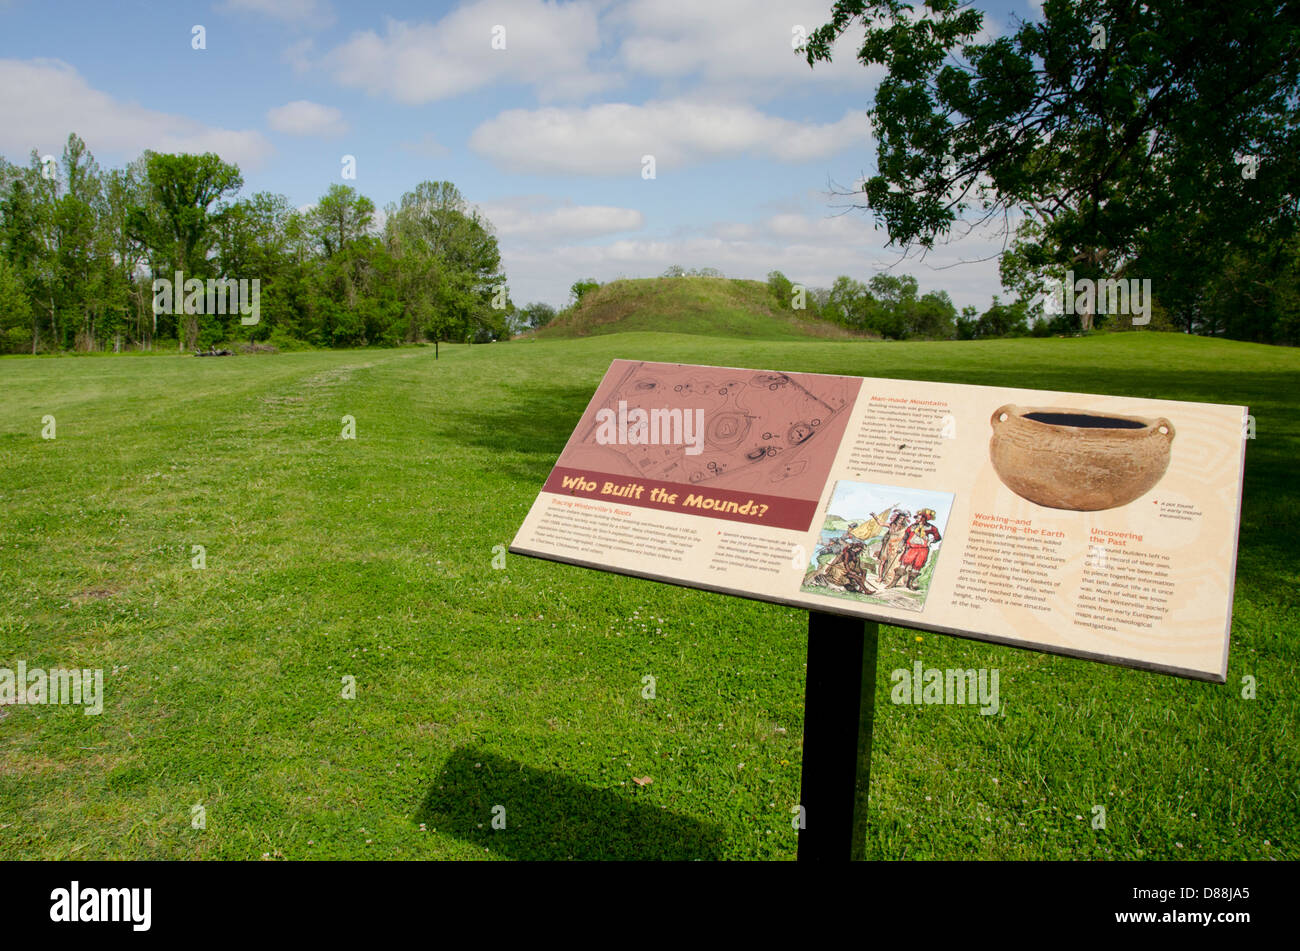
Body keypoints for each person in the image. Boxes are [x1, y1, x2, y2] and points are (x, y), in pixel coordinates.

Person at [898, 509, 941, 590]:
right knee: (903, 564)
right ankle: (894, 582)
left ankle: (909, 584)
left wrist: (931, 541)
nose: (916, 519)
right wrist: (900, 546)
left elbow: (937, 537)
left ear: (923, 519)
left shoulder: (931, 527)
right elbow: (905, 537)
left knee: (917, 566)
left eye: (918, 517)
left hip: (923, 550)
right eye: (916, 517)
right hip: (911, 548)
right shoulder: (912, 526)